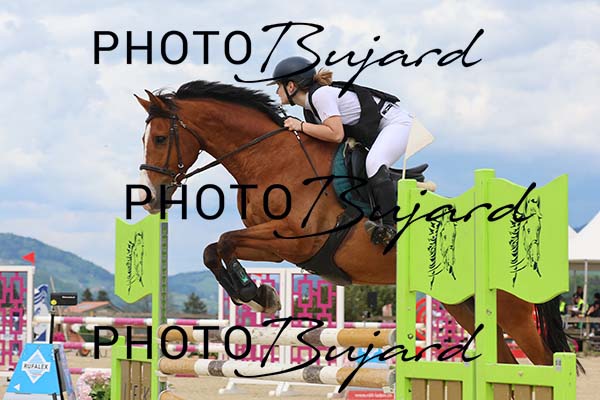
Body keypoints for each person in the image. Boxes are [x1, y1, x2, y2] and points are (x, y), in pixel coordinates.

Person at [269, 56, 414, 246]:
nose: (276, 91)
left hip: (397, 123)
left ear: (290, 86)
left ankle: (390, 227)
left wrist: (300, 126)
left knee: (374, 163)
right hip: (379, 129)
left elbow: (336, 134)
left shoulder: (320, 96)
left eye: (278, 86)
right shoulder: (309, 109)